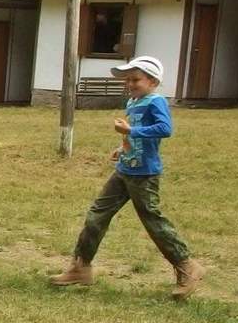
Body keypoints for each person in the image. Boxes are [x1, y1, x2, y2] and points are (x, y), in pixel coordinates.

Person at [50, 55, 203, 299]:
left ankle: (187, 266)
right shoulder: (133, 102)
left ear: (153, 81)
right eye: (128, 80)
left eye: (136, 79)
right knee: (97, 215)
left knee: (152, 220)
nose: (130, 84)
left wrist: (131, 130)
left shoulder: (156, 102)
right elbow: (135, 136)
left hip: (145, 174)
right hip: (124, 170)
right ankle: (81, 267)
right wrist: (123, 147)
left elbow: (165, 129)